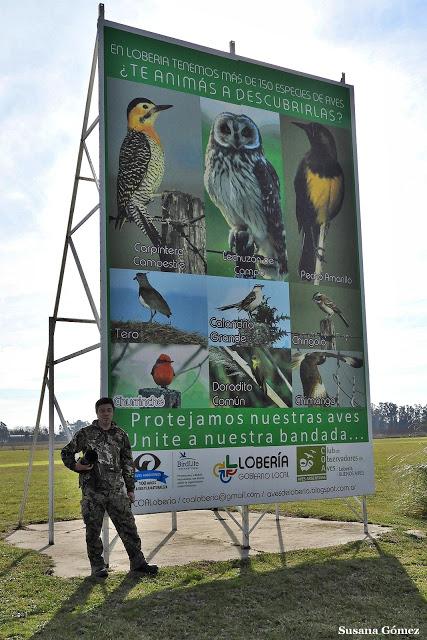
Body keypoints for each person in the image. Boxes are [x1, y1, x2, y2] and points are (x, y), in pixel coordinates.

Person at [61, 397, 158, 578]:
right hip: (92, 491)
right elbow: (66, 452)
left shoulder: (120, 435)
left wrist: (130, 489)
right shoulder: (85, 433)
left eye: (108, 410)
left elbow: (127, 462)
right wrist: (76, 466)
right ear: (97, 413)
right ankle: (98, 567)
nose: (105, 414)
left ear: (112, 412)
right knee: (93, 530)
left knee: (128, 527)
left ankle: (138, 563)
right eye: (102, 410)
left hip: (116, 490)